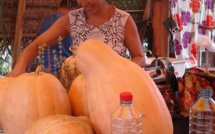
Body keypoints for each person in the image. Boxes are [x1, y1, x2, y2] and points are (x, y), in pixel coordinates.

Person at [7, 0, 145, 77]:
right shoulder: (71, 19)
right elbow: (35, 46)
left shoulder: (123, 20)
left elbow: (139, 57)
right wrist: (18, 69)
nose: (84, 3)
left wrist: (122, 71)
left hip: (115, 90)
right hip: (79, 94)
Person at [32, 0, 78, 74]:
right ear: (74, 9)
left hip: (44, 70)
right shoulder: (71, 23)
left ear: (61, 7)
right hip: (65, 72)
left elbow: (37, 41)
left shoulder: (43, 20)